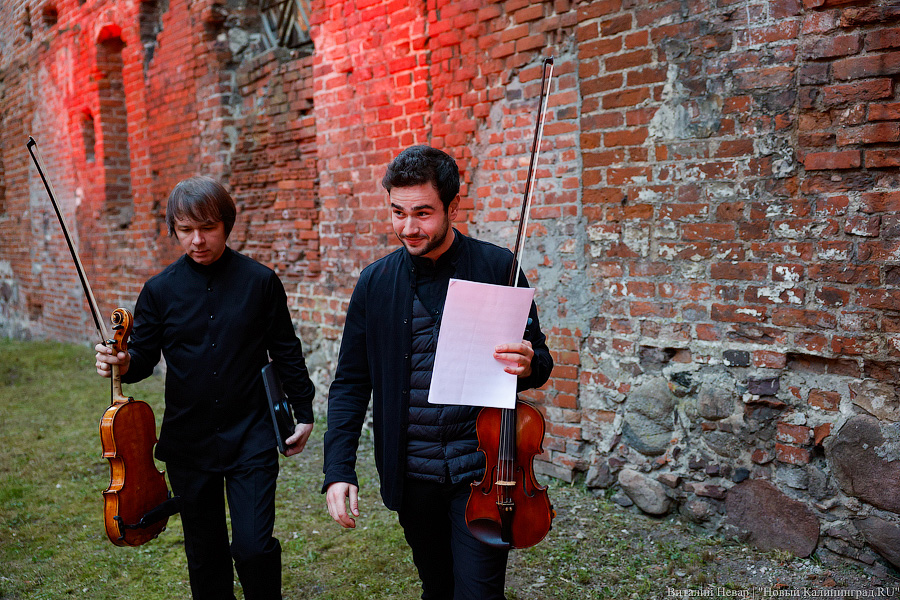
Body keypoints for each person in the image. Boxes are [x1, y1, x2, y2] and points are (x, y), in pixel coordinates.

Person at [322, 145, 553, 599]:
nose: (408, 227)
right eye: (398, 212)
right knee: (437, 586)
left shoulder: (497, 267)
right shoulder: (375, 283)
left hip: (484, 472)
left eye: (423, 213)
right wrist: (338, 469)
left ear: (453, 206)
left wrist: (528, 364)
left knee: (479, 593)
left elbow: (539, 360)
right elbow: (350, 383)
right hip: (413, 476)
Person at [94, 176, 315, 600]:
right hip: (189, 441)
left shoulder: (260, 282)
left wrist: (303, 412)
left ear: (226, 224)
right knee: (205, 553)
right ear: (174, 230)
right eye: (186, 230)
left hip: (251, 435)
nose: (197, 240)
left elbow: (286, 350)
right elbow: (142, 358)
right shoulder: (159, 291)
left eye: (208, 228)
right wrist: (121, 362)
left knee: (253, 548)